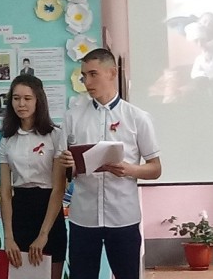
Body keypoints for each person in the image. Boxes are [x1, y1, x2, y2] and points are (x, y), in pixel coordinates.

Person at [58, 48, 161, 279]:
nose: (87, 82)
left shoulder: (137, 117)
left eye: (93, 74)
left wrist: (130, 169)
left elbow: (155, 168)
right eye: (84, 76)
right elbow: (64, 169)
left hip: (123, 216)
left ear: (112, 73)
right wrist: (69, 165)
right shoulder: (72, 117)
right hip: (84, 217)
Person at [0, 75, 67, 279]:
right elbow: (5, 192)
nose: (21, 104)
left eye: (27, 98)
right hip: (20, 213)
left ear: (39, 100)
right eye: (16, 98)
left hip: (49, 213)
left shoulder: (55, 135)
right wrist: (8, 236)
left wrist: (43, 234)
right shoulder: (7, 140)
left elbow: (59, 188)